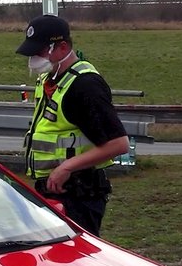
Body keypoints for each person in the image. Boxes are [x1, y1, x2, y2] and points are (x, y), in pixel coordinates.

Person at [16, 14, 130, 235]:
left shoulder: (85, 86)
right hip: (52, 190)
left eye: (38, 51)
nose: (33, 59)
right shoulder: (49, 80)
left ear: (62, 47)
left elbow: (119, 144)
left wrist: (66, 167)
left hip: (79, 194)